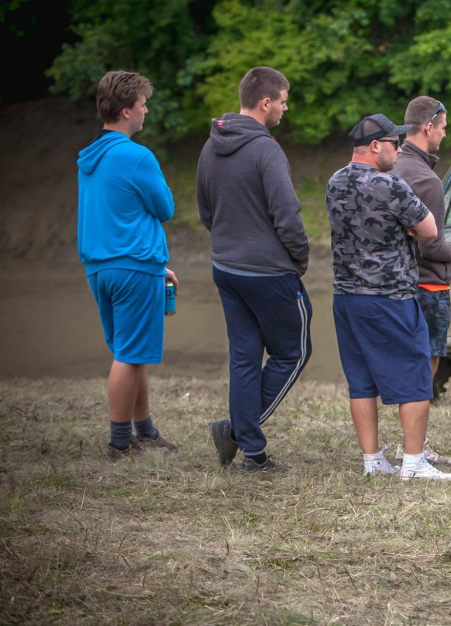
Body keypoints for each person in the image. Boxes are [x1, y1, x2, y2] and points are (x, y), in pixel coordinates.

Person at [325, 114, 451, 481]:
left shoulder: (334, 183)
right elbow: (428, 230)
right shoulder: (390, 185)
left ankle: (373, 460)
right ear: (374, 146)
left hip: (346, 295)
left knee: (361, 379)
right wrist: (408, 228)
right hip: (390, 295)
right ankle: (413, 462)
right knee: (415, 374)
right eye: (394, 144)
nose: (399, 151)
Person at [197, 66, 312, 474]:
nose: (285, 107)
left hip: (226, 267)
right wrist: (300, 256)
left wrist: (232, 242)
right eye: (282, 100)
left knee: (244, 358)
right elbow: (287, 213)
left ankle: (254, 456)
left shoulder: (211, 145)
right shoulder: (266, 149)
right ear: (265, 102)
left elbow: (206, 211)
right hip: (269, 272)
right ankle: (241, 435)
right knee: (295, 351)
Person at [77, 70, 179, 459]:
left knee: (132, 349)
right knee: (128, 354)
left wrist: (157, 266)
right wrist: (148, 262)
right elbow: (165, 208)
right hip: (132, 266)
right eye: (141, 105)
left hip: (101, 268)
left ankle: (145, 431)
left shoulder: (90, 156)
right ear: (125, 111)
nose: (146, 110)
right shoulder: (137, 156)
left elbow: (112, 214)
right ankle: (120, 443)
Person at [390, 96, 451, 466]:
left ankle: (408, 444)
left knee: (406, 366)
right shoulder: (427, 180)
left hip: (397, 286)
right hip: (431, 286)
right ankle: (415, 450)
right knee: (425, 370)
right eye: (442, 127)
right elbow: (431, 245)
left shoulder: (391, 168)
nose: (444, 133)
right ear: (427, 127)